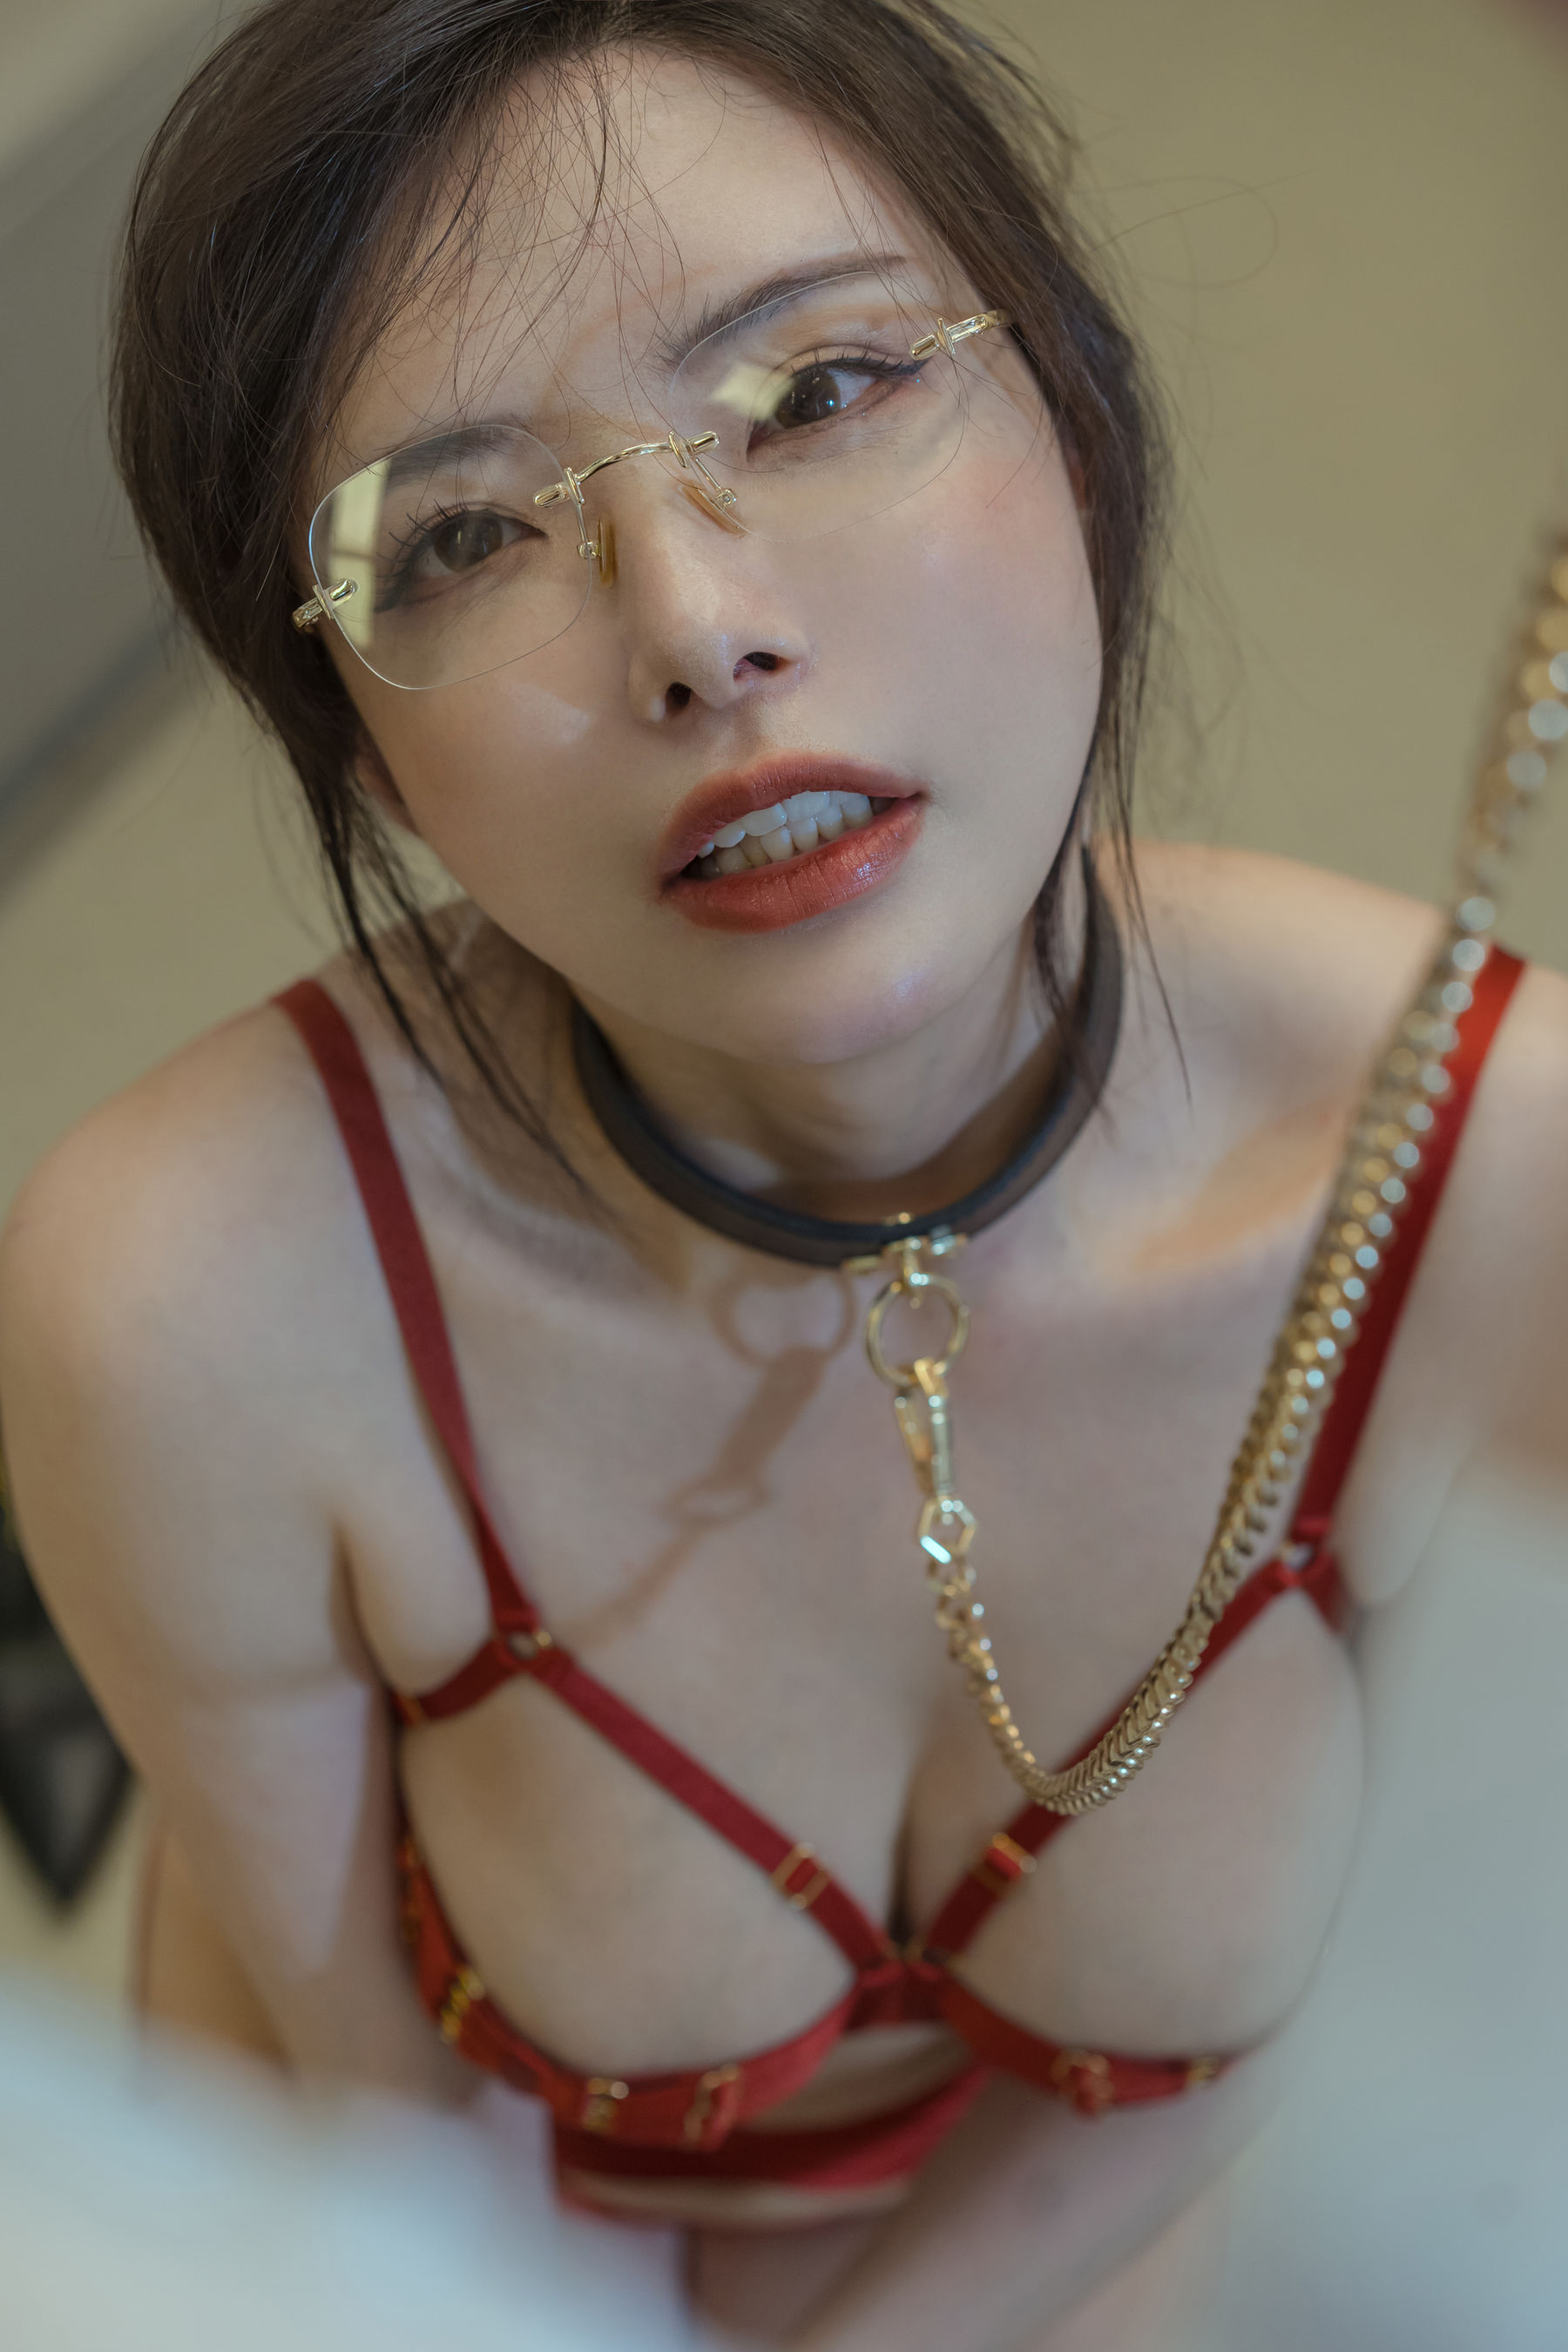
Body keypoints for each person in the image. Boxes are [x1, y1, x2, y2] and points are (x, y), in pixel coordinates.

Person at [1, 2, 1565, 2344]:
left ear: (1076, 412)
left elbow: (1291, 2007)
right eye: (462, 532)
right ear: (363, 746)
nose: (699, 627)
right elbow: (376, 2122)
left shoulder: (1483, 1169)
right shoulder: (192, 1302)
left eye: (822, 389)